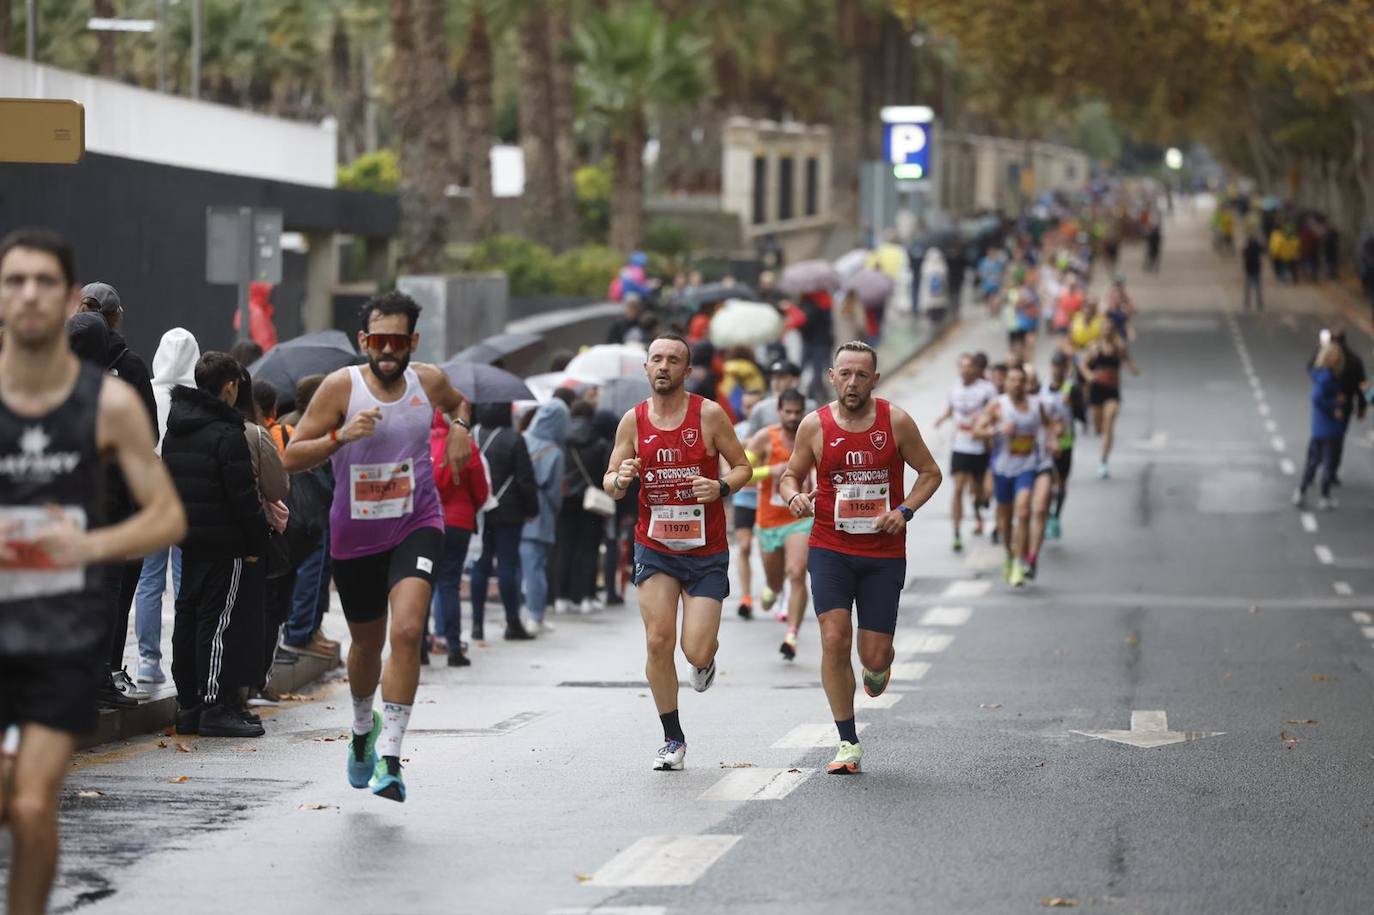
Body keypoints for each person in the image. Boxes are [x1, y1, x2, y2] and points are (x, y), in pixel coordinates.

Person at [0, 228, 186, 915]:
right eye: (14, 281)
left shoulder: (108, 402)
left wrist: (87, 543)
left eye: (43, 282)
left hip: (60, 629)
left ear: (66, 299)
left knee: (31, 800)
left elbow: (165, 516)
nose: (28, 296)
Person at [282, 291, 472, 803]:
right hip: (355, 534)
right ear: (364, 341)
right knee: (366, 643)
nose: (387, 351)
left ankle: (391, 758)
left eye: (397, 341)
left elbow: (458, 402)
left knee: (408, 631)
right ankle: (364, 728)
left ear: (412, 341)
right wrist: (339, 438)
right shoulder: (339, 388)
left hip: (417, 522)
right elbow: (292, 455)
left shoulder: (426, 380)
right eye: (377, 341)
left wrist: (459, 428)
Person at [777, 341, 941, 774]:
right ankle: (847, 742)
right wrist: (794, 496)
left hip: (883, 553)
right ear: (831, 377)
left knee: (874, 656)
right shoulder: (814, 426)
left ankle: (876, 668)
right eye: (844, 374)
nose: (852, 383)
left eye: (861, 375)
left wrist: (904, 511)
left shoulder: (896, 422)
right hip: (830, 547)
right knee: (833, 638)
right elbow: (789, 475)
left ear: (875, 380)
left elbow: (930, 472)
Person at [602, 334, 752, 771]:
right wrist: (621, 478)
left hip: (706, 550)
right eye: (656, 359)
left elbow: (742, 466)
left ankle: (706, 661)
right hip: (655, 546)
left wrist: (720, 487)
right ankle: (672, 738)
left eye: (673, 360)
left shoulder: (708, 414)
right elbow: (609, 482)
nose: (663, 366)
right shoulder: (632, 421)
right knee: (657, 640)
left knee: (695, 650)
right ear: (646, 369)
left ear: (688, 372)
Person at [162, 353, 272, 738]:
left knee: (188, 616)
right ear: (229, 386)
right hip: (227, 543)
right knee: (218, 622)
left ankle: (189, 704)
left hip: (189, 539)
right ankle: (214, 706)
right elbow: (242, 497)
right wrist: (258, 540)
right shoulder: (228, 434)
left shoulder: (176, 429)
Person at [77, 282, 161, 709]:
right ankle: (104, 675)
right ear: (116, 317)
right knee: (114, 590)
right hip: (115, 502)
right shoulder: (128, 366)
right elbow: (148, 434)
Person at [133, 327, 199, 686]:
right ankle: (185, 658)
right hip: (189, 498)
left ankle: (147, 660)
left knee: (149, 580)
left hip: (150, 498)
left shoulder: (146, 393)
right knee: (185, 580)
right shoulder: (197, 397)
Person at [976, 365, 1059, 588]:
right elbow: (978, 430)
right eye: (1012, 380)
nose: (1017, 384)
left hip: (1027, 466)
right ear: (1006, 384)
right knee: (1004, 520)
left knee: (1023, 510)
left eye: (1021, 381)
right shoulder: (998, 405)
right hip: (1003, 469)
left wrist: (1052, 440)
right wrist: (997, 430)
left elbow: (1049, 424)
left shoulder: (1036, 404)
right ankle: (1010, 555)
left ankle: (1019, 564)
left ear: (1026, 383)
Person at [746, 388, 814, 659]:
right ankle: (773, 589)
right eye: (788, 412)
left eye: (798, 412)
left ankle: (792, 634)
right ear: (779, 410)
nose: (793, 417)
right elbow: (742, 474)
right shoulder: (765, 438)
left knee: (797, 573)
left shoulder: (811, 436)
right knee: (775, 582)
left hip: (800, 520)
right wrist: (769, 471)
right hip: (769, 522)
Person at [469, 402, 538, 641]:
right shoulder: (514, 439)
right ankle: (512, 623)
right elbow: (524, 479)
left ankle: (477, 625)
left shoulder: (472, 434)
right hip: (509, 511)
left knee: (481, 564)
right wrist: (532, 509)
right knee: (508, 566)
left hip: (478, 510)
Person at [429, 405, 486, 667]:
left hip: (425, 522)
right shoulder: (466, 445)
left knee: (421, 585)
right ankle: (454, 648)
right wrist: (469, 507)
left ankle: (418, 647)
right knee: (449, 584)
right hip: (459, 522)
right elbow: (481, 490)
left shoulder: (422, 442)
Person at [934, 353, 999, 552]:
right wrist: (941, 418)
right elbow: (951, 409)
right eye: (962, 366)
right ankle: (956, 532)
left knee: (980, 490)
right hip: (960, 446)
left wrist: (989, 430)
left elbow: (997, 412)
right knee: (958, 488)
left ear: (975, 369)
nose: (965, 370)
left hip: (980, 446)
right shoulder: (954, 389)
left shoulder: (987, 389)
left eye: (969, 366)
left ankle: (981, 502)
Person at [553, 399, 611, 614]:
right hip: (592, 501)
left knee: (564, 548)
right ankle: (586, 596)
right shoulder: (600, 443)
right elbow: (605, 473)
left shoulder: (562, 441)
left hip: (566, 498)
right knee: (589, 548)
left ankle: (561, 597)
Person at [520, 399, 569, 634]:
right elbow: (554, 493)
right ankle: (535, 615)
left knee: (517, 567)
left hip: (518, 511)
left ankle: (518, 614)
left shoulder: (523, 439)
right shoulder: (555, 452)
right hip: (542, 515)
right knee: (536, 567)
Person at [1294, 344, 1346, 511]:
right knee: (1328, 463)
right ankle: (1324, 497)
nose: (1335, 358)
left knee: (1313, 462)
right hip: (1329, 426)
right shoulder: (1327, 376)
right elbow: (1316, 398)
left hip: (1319, 427)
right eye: (1332, 355)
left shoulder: (1318, 374)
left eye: (1337, 355)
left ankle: (1301, 491)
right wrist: (1336, 405)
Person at [1083, 330, 1140, 479]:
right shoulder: (1094, 347)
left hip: (1112, 392)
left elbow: (1127, 360)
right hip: (1096, 391)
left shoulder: (1118, 348)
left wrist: (1133, 368)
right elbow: (1083, 364)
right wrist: (1089, 375)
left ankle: (1103, 461)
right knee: (1098, 428)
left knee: (1109, 424)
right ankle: (1101, 437)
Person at [1041, 352, 1082, 541]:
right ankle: (1047, 516)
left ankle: (1056, 516)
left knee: (1061, 484)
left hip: (1065, 443)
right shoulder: (1042, 389)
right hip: (1047, 445)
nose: (1056, 370)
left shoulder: (1071, 389)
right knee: (1048, 483)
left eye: (1060, 367)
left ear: (1065, 369)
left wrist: (1074, 402)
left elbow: (1081, 413)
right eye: (1054, 366)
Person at [731, 389, 762, 620]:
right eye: (747, 406)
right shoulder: (736, 432)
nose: (750, 411)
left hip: (768, 499)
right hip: (743, 499)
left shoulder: (769, 433)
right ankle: (746, 597)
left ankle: (776, 590)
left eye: (755, 407)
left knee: (772, 549)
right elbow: (727, 469)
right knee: (744, 547)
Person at [1242, 231, 1265, 312]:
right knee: (1258, 287)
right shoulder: (1257, 246)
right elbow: (1264, 250)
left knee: (1248, 287)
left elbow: (1243, 254)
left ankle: (1247, 302)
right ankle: (1259, 303)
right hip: (1256, 269)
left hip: (1249, 269)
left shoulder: (1247, 247)